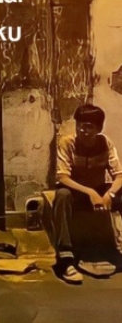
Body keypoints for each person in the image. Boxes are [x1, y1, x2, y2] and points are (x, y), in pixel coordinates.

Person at [54, 103, 122, 284]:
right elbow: (62, 177)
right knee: (61, 195)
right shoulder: (67, 143)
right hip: (77, 192)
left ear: (98, 128)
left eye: (88, 127)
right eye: (79, 125)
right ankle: (66, 260)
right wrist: (90, 192)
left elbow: (119, 175)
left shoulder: (105, 143)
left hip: (100, 190)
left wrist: (109, 195)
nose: (82, 131)